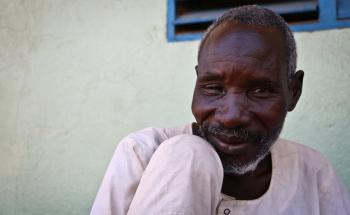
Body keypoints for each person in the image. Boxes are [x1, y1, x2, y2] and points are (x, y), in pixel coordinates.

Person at [90, 5, 350, 215]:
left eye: (260, 91)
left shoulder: (314, 174)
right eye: (214, 88)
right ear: (197, 81)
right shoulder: (142, 153)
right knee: (186, 153)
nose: (231, 116)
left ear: (293, 92)